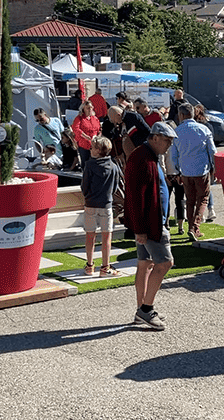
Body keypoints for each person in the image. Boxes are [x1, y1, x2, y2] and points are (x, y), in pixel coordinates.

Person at [123, 121, 177, 330]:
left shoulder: (147, 156)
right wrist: (140, 230)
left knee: (145, 263)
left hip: (150, 222)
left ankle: (142, 309)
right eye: (166, 140)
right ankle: (145, 310)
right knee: (164, 263)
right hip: (150, 224)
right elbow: (136, 198)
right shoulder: (142, 159)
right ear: (154, 137)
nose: (169, 145)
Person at [171, 103, 216, 241]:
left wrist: (176, 171)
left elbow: (174, 155)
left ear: (181, 115)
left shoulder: (177, 131)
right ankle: (194, 227)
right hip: (201, 170)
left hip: (185, 171)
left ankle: (191, 227)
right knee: (202, 199)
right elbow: (213, 151)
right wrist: (214, 167)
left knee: (190, 200)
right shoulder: (203, 129)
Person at [81, 135, 121, 278]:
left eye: (92, 147)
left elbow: (84, 186)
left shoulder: (89, 165)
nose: (90, 149)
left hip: (90, 204)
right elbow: (116, 187)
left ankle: (90, 265)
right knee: (106, 236)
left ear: (98, 150)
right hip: (106, 204)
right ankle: (105, 266)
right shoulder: (113, 166)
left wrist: (87, 196)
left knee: (90, 236)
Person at [193, 104, 217, 220]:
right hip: (207, 162)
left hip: (196, 161)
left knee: (197, 191)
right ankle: (210, 210)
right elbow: (212, 147)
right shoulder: (207, 126)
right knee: (206, 189)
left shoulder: (194, 126)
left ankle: (200, 214)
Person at [71, 100, 101, 166]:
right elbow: (76, 129)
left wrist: (98, 136)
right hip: (84, 144)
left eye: (91, 107)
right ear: (83, 109)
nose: (90, 109)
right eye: (88, 108)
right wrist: (85, 136)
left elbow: (99, 129)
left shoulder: (95, 118)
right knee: (85, 162)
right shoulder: (79, 118)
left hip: (94, 144)